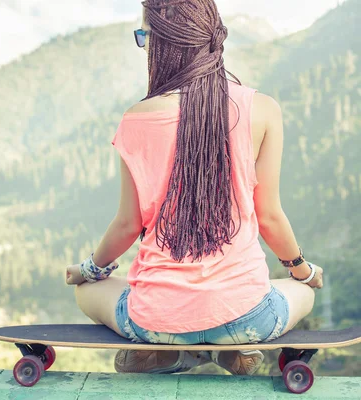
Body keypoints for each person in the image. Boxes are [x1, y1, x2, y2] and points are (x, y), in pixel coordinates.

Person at [65, 0, 324, 376]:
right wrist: (303, 271)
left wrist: (89, 270)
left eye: (144, 37)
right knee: (302, 293)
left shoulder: (136, 118)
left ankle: (169, 353)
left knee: (87, 291)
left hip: (156, 322)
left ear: (161, 44)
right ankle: (229, 349)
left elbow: (127, 225)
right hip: (247, 318)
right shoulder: (263, 110)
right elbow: (269, 216)